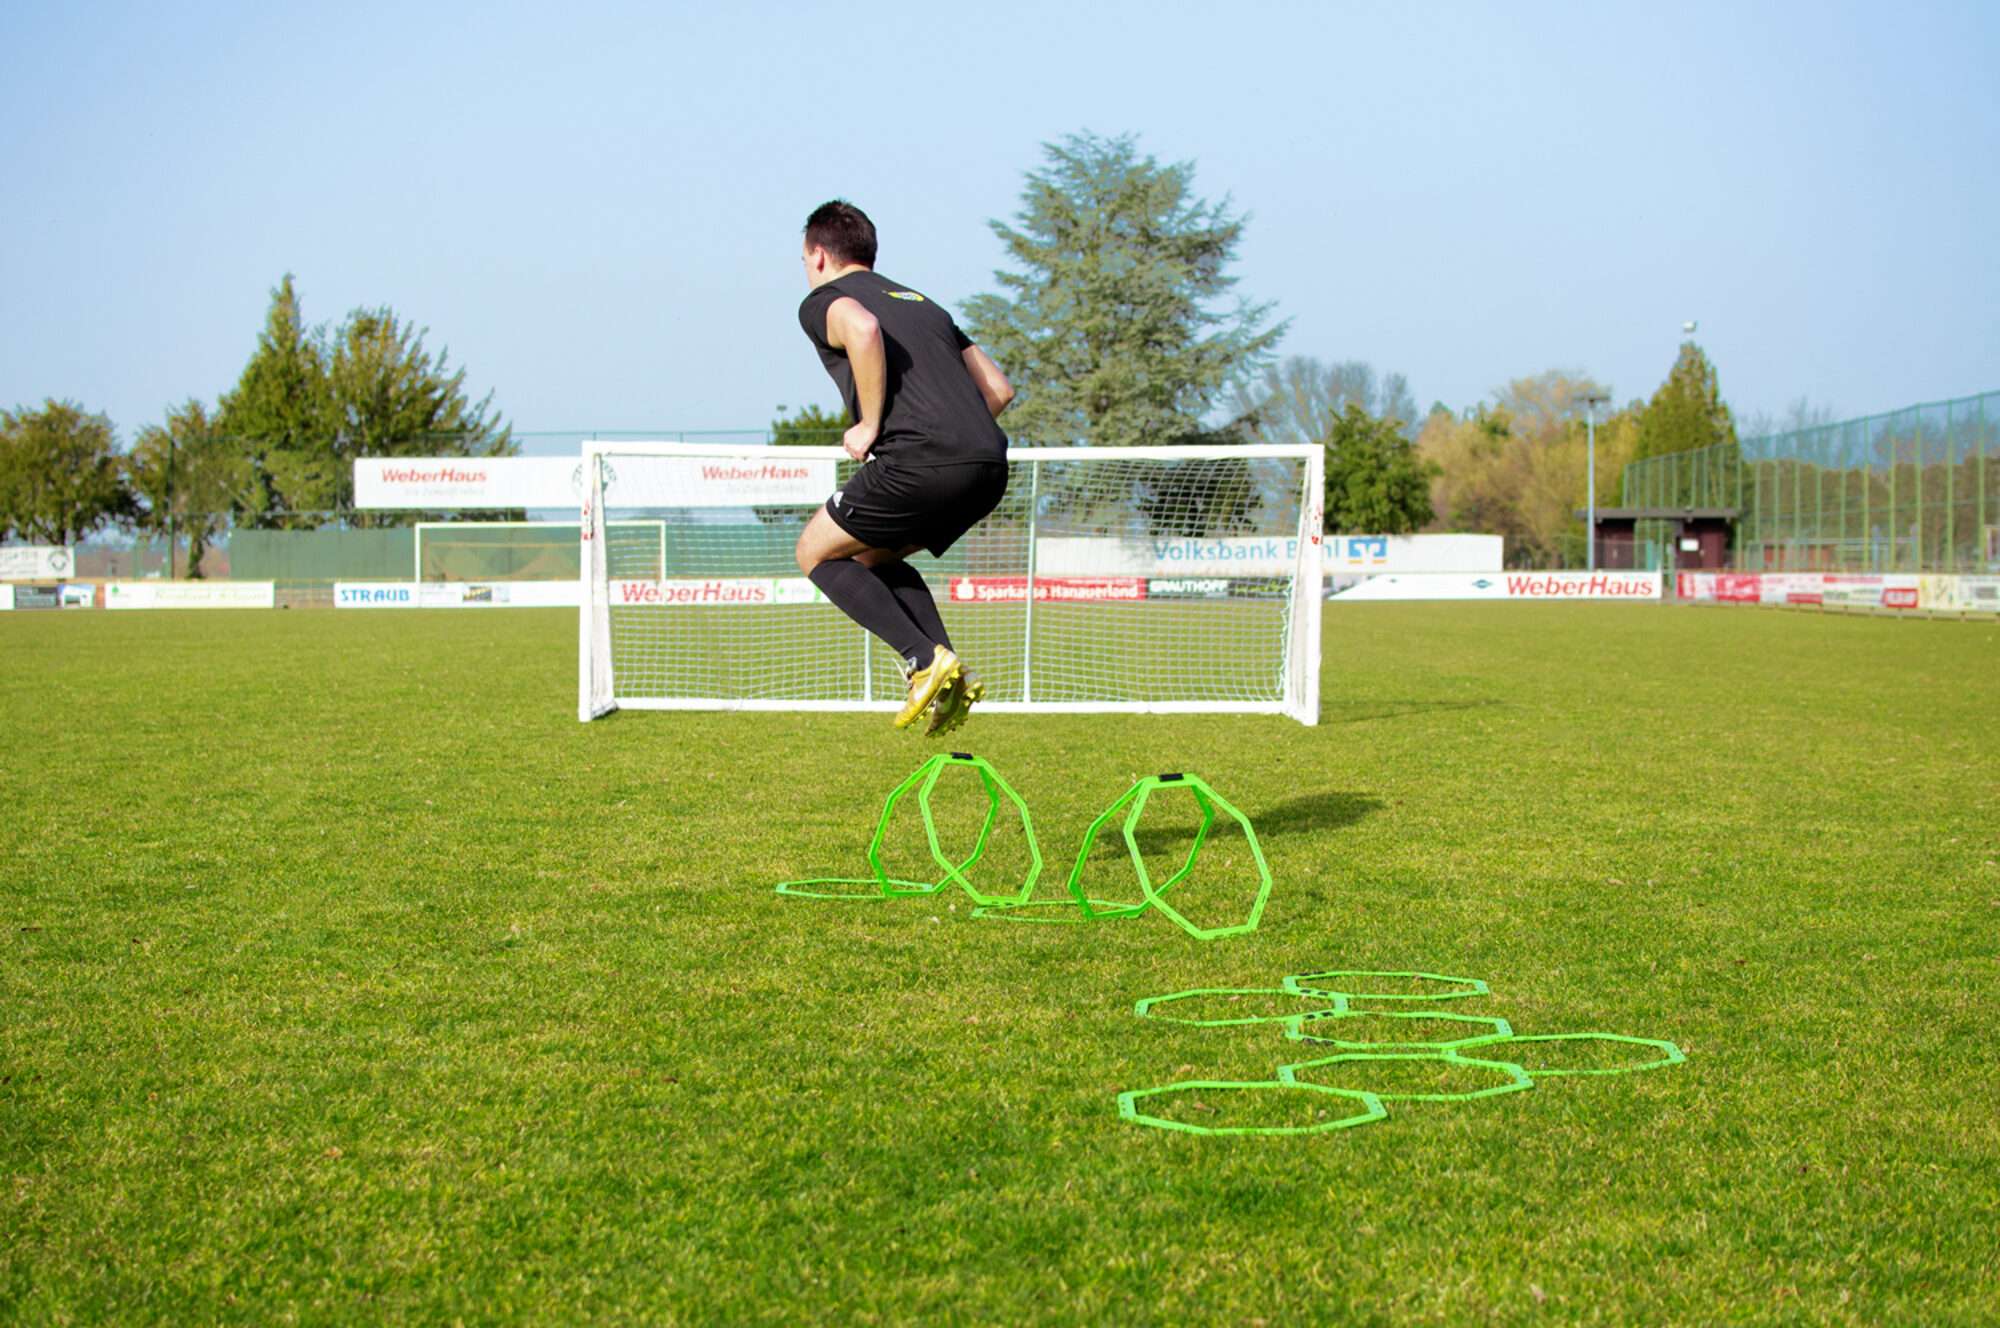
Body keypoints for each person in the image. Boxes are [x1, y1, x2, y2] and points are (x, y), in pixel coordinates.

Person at [792, 199, 1015, 735]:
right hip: (988, 464)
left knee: (814, 552)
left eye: (803, 258)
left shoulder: (824, 299)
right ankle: (948, 669)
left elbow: (863, 330)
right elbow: (999, 389)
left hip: (917, 462)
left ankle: (922, 659)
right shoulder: (923, 304)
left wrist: (870, 424)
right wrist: (951, 437)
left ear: (819, 255)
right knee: (867, 556)